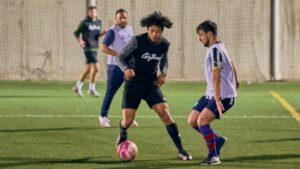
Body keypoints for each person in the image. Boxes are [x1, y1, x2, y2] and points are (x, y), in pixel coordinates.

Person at [115, 11, 192, 160]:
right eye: (152, 31)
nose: (154, 34)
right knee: (128, 121)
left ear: (162, 32)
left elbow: (164, 60)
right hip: (134, 83)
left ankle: (181, 150)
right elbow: (119, 56)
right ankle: (123, 131)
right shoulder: (137, 41)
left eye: (157, 31)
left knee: (165, 114)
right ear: (147, 30)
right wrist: (126, 69)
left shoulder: (164, 44)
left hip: (151, 84)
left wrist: (163, 73)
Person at [187, 20, 239, 165]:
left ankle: (213, 156)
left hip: (223, 96)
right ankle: (217, 140)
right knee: (192, 120)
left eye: (201, 35)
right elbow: (231, 61)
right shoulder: (218, 46)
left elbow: (216, 76)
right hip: (211, 93)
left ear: (209, 34)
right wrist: (236, 79)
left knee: (202, 121)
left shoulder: (215, 50)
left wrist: (217, 100)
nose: (200, 38)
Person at [98, 8, 138, 128]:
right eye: (120, 17)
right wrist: (118, 55)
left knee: (130, 93)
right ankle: (103, 116)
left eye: (125, 17)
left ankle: (129, 119)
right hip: (115, 67)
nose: (123, 19)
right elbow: (103, 47)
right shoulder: (112, 31)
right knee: (110, 93)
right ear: (116, 19)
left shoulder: (130, 28)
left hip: (129, 67)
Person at [73, 6, 105, 97]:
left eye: (94, 12)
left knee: (88, 69)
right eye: (91, 12)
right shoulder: (84, 23)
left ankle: (78, 86)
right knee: (97, 68)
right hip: (88, 48)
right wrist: (80, 41)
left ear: (96, 13)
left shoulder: (99, 22)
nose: (92, 14)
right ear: (88, 13)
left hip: (95, 48)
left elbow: (96, 35)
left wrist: (103, 33)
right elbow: (76, 33)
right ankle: (91, 89)